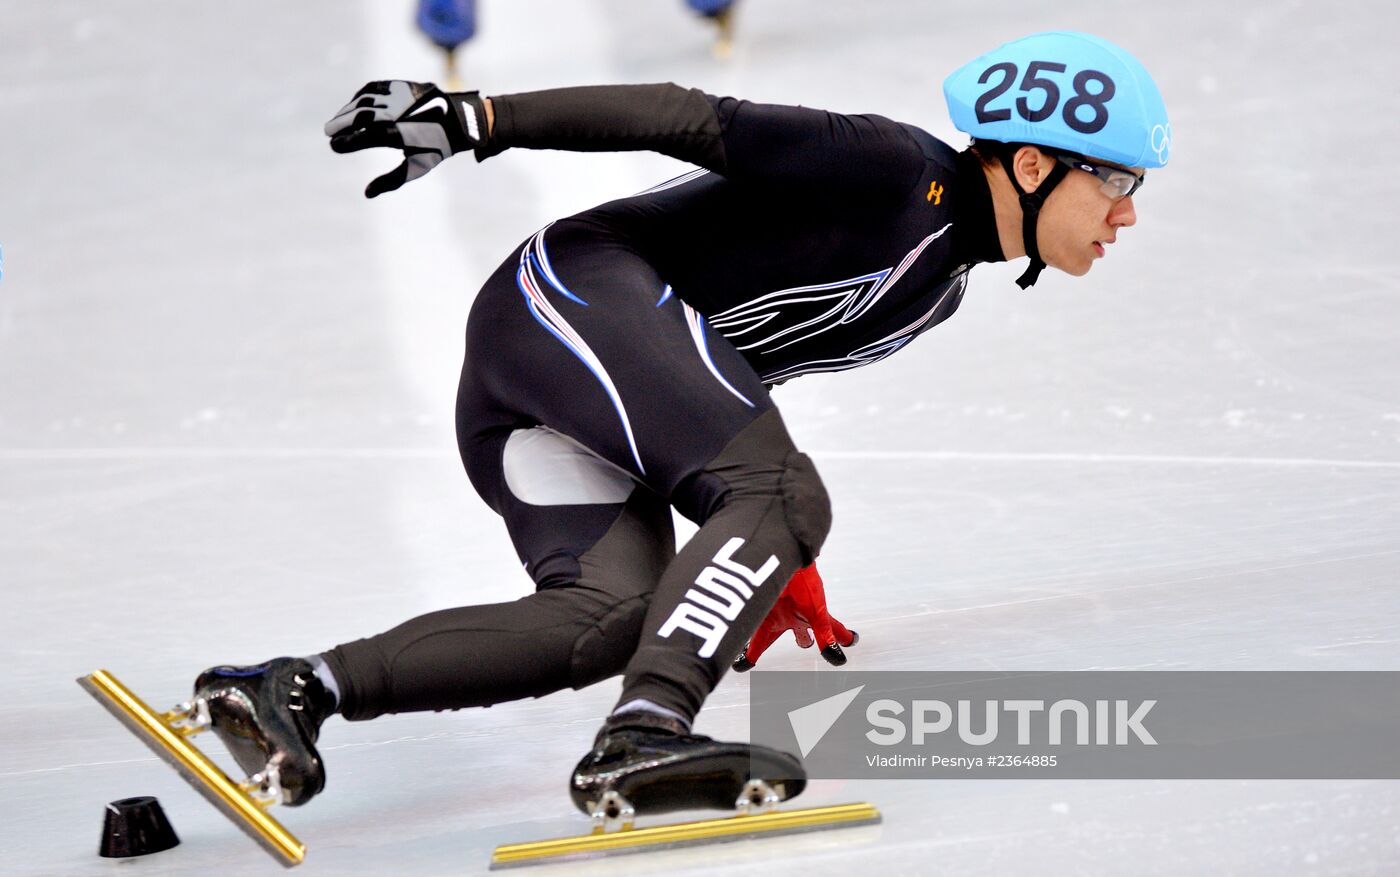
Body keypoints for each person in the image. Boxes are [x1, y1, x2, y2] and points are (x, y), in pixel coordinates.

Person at [189, 31, 1170, 817]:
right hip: (567, 301)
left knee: (606, 619)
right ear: (1034, 162)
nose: (1125, 215)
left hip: (563, 372)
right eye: (1115, 182)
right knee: (778, 491)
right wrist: (475, 116)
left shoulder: (937, 291)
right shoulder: (891, 168)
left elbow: (717, 382)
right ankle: (647, 728)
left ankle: (290, 688)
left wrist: (757, 549)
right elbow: (686, 118)